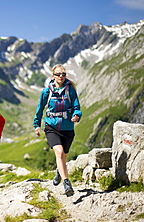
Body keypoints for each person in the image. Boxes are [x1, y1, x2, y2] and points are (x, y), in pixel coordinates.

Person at [33, 64, 82, 196]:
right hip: (51, 127)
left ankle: (58, 172)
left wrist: (77, 115)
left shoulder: (70, 91)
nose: (61, 76)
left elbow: (76, 107)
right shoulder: (46, 91)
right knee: (59, 153)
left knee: (63, 157)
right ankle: (67, 183)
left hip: (67, 128)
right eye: (58, 74)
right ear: (53, 76)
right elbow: (40, 109)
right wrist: (36, 125)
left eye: (63, 74)